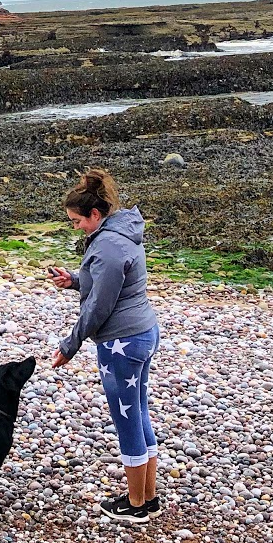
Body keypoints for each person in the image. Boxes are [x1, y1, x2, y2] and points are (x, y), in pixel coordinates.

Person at [48, 168, 160, 524]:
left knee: (127, 421)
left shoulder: (109, 245)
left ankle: (135, 505)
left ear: (95, 214)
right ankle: (148, 496)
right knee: (139, 411)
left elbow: (100, 305)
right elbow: (105, 282)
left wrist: (71, 344)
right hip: (141, 333)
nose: (76, 227)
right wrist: (75, 280)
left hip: (122, 343)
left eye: (77, 221)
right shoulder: (120, 232)